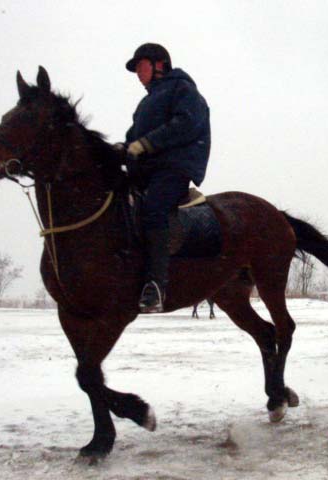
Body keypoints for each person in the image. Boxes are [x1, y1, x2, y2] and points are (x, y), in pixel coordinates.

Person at [122, 43, 211, 313]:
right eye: (136, 68)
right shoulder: (147, 102)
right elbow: (132, 139)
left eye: (141, 65)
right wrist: (121, 150)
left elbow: (186, 124)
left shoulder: (182, 89)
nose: (138, 72)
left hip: (174, 166)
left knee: (153, 208)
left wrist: (146, 144)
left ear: (159, 64)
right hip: (148, 170)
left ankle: (156, 284)